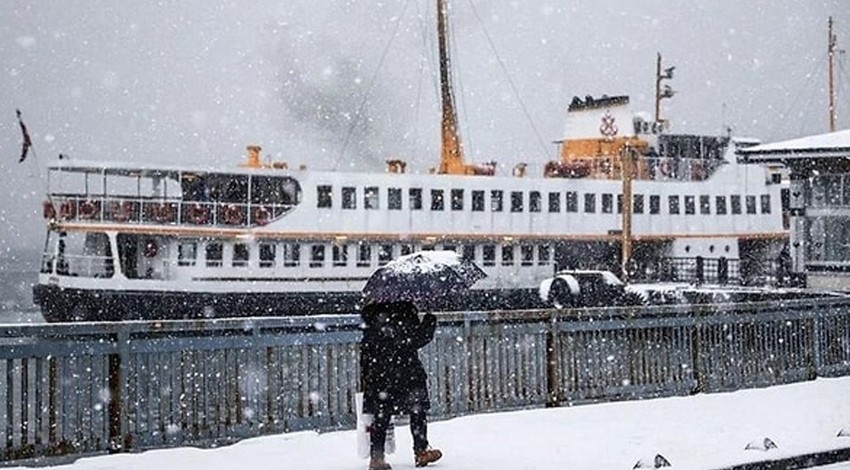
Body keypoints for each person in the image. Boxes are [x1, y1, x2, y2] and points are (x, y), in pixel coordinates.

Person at [360, 301, 442, 470]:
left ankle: (377, 457)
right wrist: (430, 319)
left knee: (381, 414)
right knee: (417, 410)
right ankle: (421, 450)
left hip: (379, 373)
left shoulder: (372, 316)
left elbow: (366, 347)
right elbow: (418, 339)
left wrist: (367, 373)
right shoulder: (404, 311)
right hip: (406, 371)